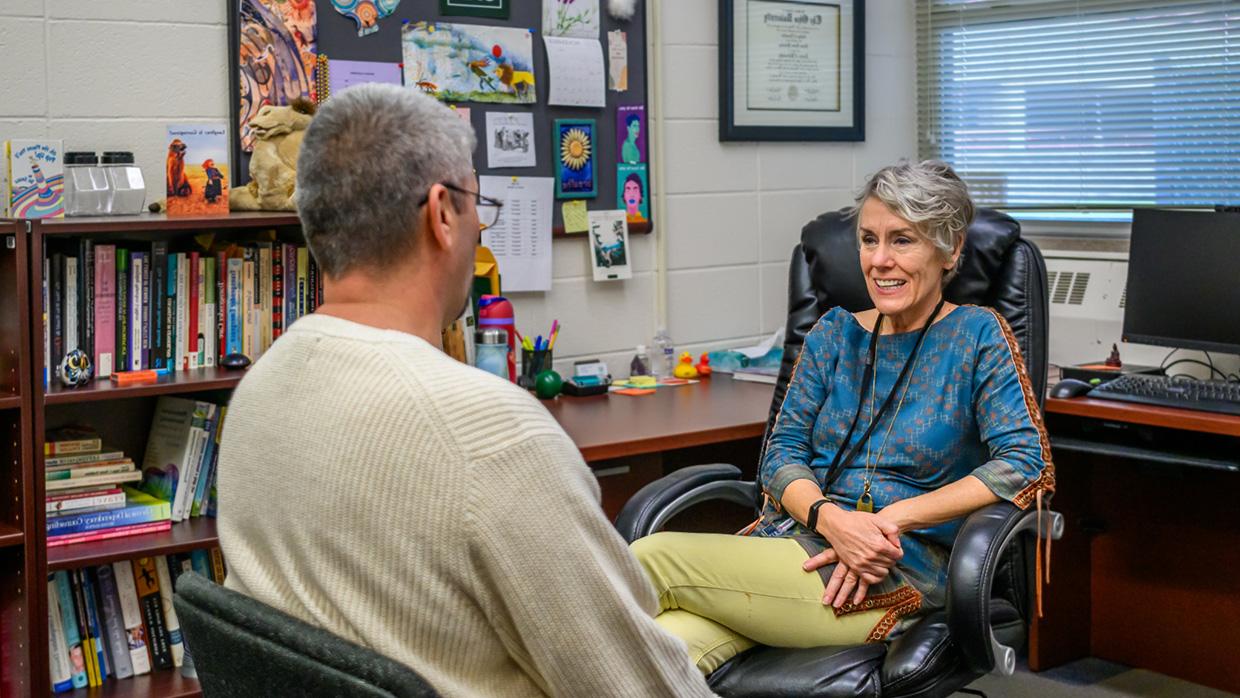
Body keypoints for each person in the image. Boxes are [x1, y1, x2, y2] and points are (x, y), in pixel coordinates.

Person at [216, 84, 714, 697]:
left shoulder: (257, 391)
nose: (482, 224)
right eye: (479, 202)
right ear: (442, 214)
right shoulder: (488, 432)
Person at [631, 160, 1054, 675]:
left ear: (950, 250)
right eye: (868, 239)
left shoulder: (977, 336)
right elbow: (780, 455)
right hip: (798, 542)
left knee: (651, 559)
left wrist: (882, 524)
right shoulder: (833, 335)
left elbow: (1025, 464)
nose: (878, 260)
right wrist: (833, 521)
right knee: (667, 655)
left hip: (891, 568)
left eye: (902, 241)